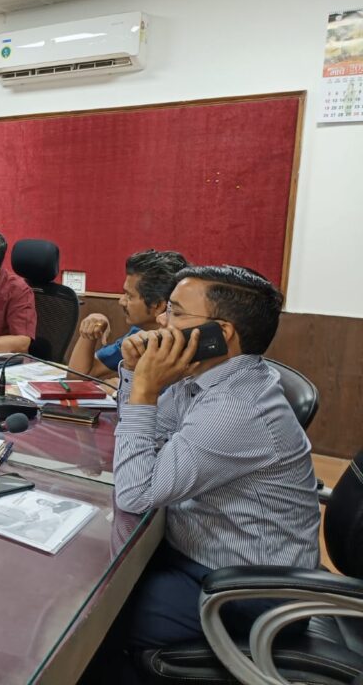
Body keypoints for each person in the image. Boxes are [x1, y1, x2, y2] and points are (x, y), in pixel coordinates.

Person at [94, 265, 320, 681]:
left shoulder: (238, 407)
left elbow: (135, 492)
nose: (162, 321)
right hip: (195, 553)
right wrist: (135, 375)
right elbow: (146, 443)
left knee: (95, 617)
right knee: (92, 575)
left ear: (220, 333)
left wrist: (145, 388)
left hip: (250, 591)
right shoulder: (201, 378)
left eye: (176, 313)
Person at [68, 250, 188, 382]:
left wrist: (120, 389)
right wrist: (90, 330)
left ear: (158, 305)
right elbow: (77, 376)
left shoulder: (182, 350)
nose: (121, 301)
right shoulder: (137, 336)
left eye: (129, 296)